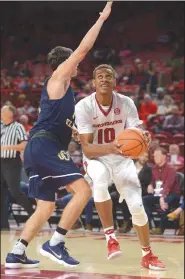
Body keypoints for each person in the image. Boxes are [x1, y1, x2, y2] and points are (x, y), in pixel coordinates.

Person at [5, 2, 113, 269]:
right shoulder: (58, 78)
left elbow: (57, 121)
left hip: (40, 145)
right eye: (73, 60)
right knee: (83, 190)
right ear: (66, 62)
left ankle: (17, 252)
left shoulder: (63, 90)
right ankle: (55, 243)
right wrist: (101, 19)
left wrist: (75, 132)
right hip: (44, 146)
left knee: (45, 207)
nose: (78, 64)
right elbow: (84, 49)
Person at [75, 64, 166, 270]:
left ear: (115, 82)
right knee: (99, 180)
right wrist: (111, 148)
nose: (104, 79)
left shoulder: (126, 103)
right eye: (100, 76)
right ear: (94, 82)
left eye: (109, 76)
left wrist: (143, 137)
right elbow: (88, 149)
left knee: (136, 206)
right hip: (98, 157)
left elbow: (136, 131)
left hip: (122, 158)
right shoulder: (83, 106)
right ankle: (110, 238)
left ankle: (148, 254)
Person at [1, 105, 34, 231]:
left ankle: (34, 217)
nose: (1, 113)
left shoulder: (18, 127)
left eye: (4, 111)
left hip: (12, 162)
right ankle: (3, 225)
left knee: (15, 192)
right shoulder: (2, 127)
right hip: (1, 163)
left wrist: (7, 147)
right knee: (1, 194)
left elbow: (24, 144)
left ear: (11, 114)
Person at [143, 148, 180, 235]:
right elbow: (153, 180)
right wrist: (150, 185)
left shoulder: (171, 169)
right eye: (154, 156)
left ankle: (161, 228)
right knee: (145, 199)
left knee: (166, 201)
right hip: (159, 194)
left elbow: (168, 186)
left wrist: (162, 197)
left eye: (157, 156)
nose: (155, 157)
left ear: (164, 157)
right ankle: (151, 226)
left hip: (172, 194)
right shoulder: (154, 168)